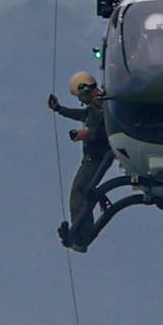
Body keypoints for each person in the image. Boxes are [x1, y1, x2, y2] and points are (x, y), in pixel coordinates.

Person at [47, 71, 112, 250]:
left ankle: (81, 237)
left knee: (78, 194)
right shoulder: (99, 104)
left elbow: (102, 132)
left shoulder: (100, 105)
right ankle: (80, 234)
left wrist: (83, 135)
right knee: (82, 194)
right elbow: (83, 115)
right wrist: (59, 109)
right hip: (96, 158)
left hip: (96, 159)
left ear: (83, 90)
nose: (81, 101)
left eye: (79, 96)